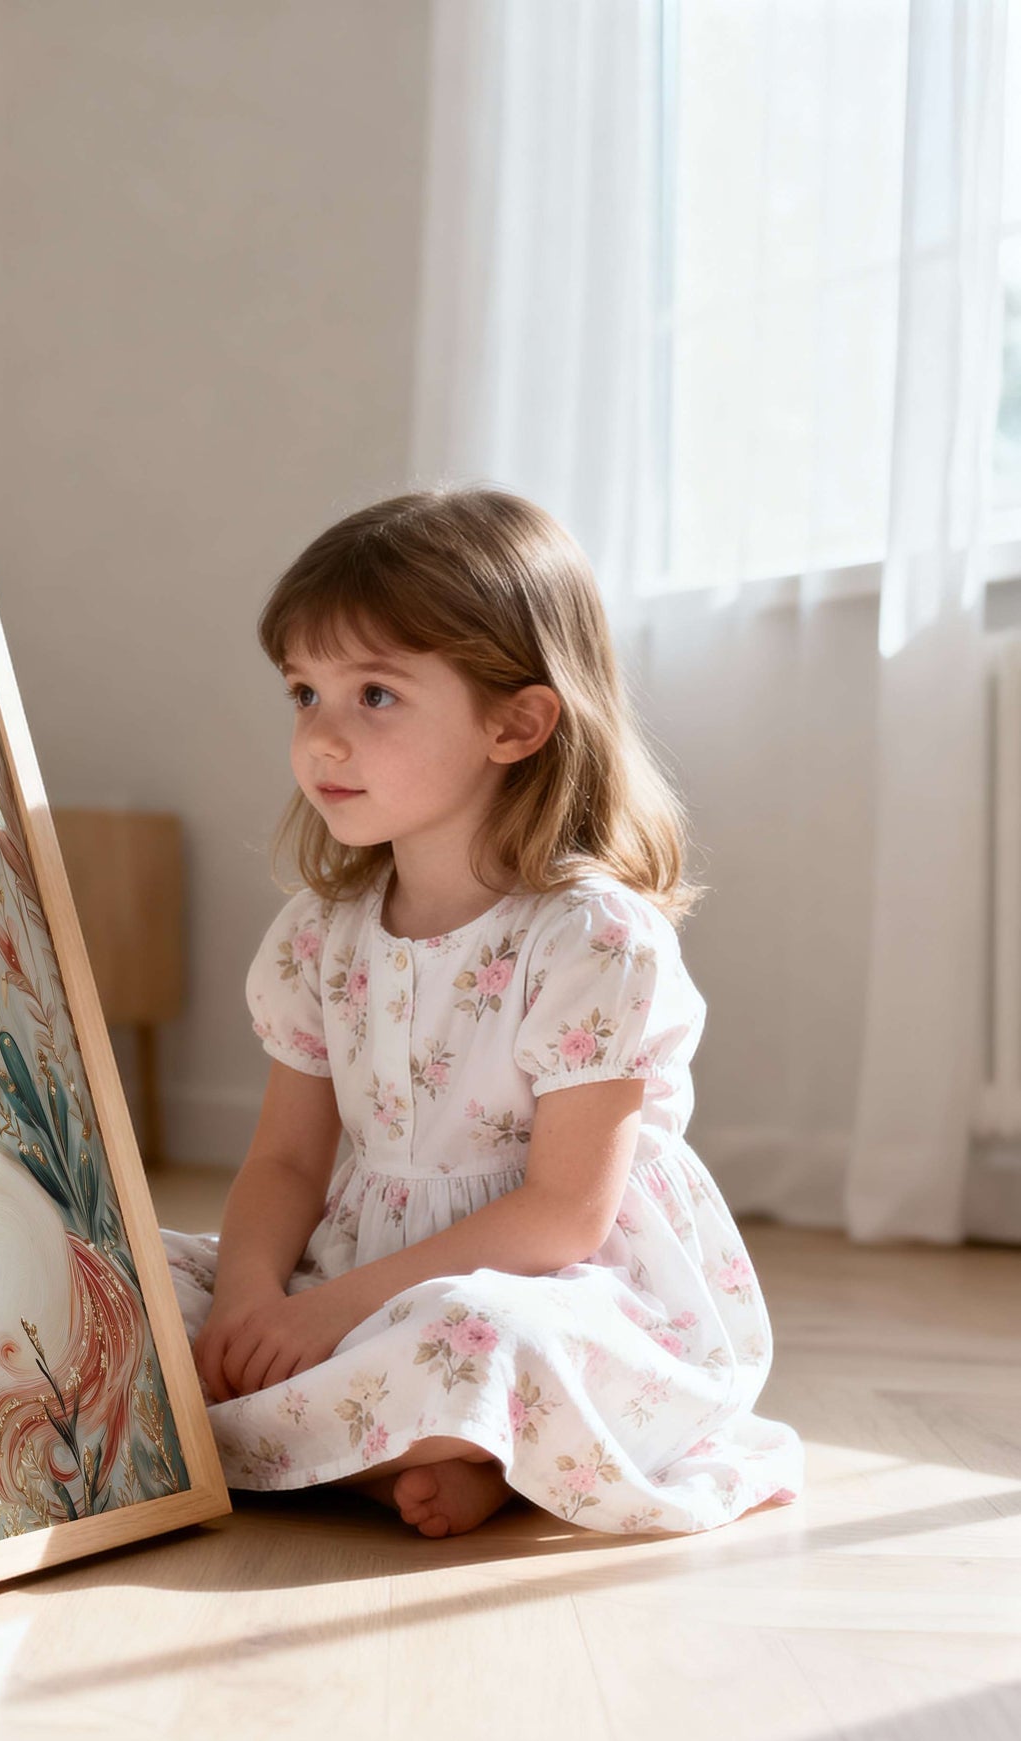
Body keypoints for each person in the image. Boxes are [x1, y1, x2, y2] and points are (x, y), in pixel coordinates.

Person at [162, 487, 803, 1540]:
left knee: (475, 1334)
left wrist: (325, 1316)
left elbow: (560, 1215)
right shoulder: (321, 933)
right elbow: (283, 1161)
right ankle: (423, 1451)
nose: (321, 737)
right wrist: (246, 1295)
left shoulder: (591, 938)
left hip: (545, 1283)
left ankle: (341, 1444)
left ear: (515, 721)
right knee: (112, 1281)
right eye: (302, 692)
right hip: (354, 1267)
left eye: (373, 695)